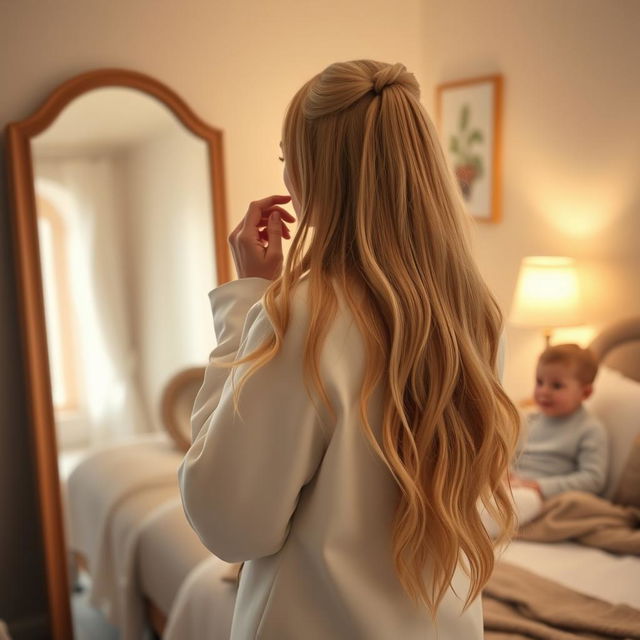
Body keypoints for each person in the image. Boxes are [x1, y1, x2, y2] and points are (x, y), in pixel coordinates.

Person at [178, 60, 520, 639]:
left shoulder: (304, 316)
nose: (287, 180)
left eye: (290, 161)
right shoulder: (476, 314)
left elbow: (230, 524)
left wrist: (246, 305)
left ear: (318, 175)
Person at [511, 343, 608, 502]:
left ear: (585, 393)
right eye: (539, 382)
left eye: (556, 386)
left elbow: (593, 479)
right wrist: (505, 474)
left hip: (542, 495)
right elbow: (510, 456)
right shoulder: (529, 420)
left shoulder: (590, 429)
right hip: (512, 485)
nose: (544, 391)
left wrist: (538, 486)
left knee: (508, 507)